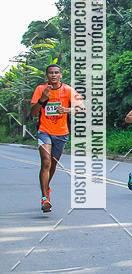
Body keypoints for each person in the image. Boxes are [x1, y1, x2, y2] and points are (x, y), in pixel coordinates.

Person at [30, 64, 85, 212]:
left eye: (56, 73)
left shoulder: (68, 90)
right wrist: (42, 99)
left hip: (61, 133)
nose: (53, 75)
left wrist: (67, 109)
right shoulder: (40, 89)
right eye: (50, 73)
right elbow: (33, 113)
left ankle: (46, 188)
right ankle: (44, 199)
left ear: (60, 75)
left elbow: (83, 108)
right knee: (46, 162)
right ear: (46, 76)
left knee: (53, 165)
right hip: (44, 130)